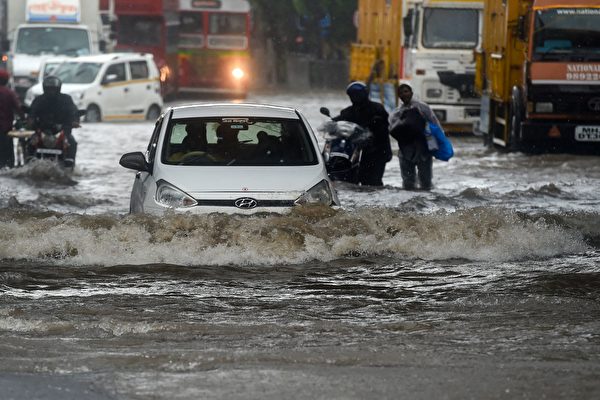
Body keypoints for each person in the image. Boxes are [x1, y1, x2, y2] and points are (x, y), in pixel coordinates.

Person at [333, 81, 392, 186]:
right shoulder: (348, 111)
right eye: (352, 94)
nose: (355, 97)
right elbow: (339, 123)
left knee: (373, 182)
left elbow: (385, 129)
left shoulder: (377, 109)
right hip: (354, 152)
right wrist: (331, 124)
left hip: (376, 152)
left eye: (357, 94)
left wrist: (372, 128)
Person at [388, 83, 441, 190]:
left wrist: (439, 142)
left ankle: (424, 202)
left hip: (423, 149)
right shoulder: (396, 113)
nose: (404, 94)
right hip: (405, 150)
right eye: (401, 92)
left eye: (406, 91)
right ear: (399, 96)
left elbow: (435, 124)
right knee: (408, 183)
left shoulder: (423, 107)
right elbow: (392, 129)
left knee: (426, 182)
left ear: (411, 93)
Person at [28, 76, 80, 167]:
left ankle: (70, 160)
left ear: (58, 89)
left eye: (53, 89)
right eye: (49, 89)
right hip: (43, 130)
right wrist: (30, 120)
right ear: (44, 89)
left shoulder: (66, 99)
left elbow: (73, 111)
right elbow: (32, 111)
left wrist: (75, 121)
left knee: (72, 142)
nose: (51, 91)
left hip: (63, 131)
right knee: (30, 142)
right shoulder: (39, 100)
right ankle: (29, 158)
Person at [0, 69, 21, 169]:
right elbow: (18, 108)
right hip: (5, 129)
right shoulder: (9, 93)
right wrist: (24, 118)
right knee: (7, 157)